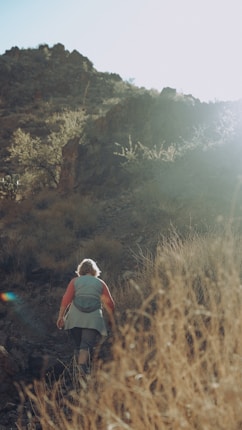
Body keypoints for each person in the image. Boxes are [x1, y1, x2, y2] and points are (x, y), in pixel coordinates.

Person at [56, 258, 115, 374]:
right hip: (93, 319)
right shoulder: (100, 283)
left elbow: (66, 300)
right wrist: (110, 319)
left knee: (80, 345)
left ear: (81, 270)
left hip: (75, 318)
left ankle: (79, 368)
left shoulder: (75, 281)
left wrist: (61, 317)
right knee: (86, 345)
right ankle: (82, 370)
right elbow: (110, 304)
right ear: (94, 270)